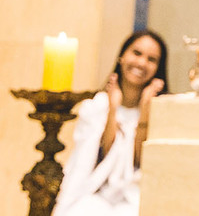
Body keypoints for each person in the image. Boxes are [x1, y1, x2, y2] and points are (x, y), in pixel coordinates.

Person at [53, 30, 169, 216]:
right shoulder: (97, 105)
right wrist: (113, 109)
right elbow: (100, 155)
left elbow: (142, 161)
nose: (141, 63)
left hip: (135, 196)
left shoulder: (162, 112)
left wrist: (145, 110)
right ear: (122, 56)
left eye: (151, 59)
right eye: (136, 53)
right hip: (96, 191)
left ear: (158, 68)